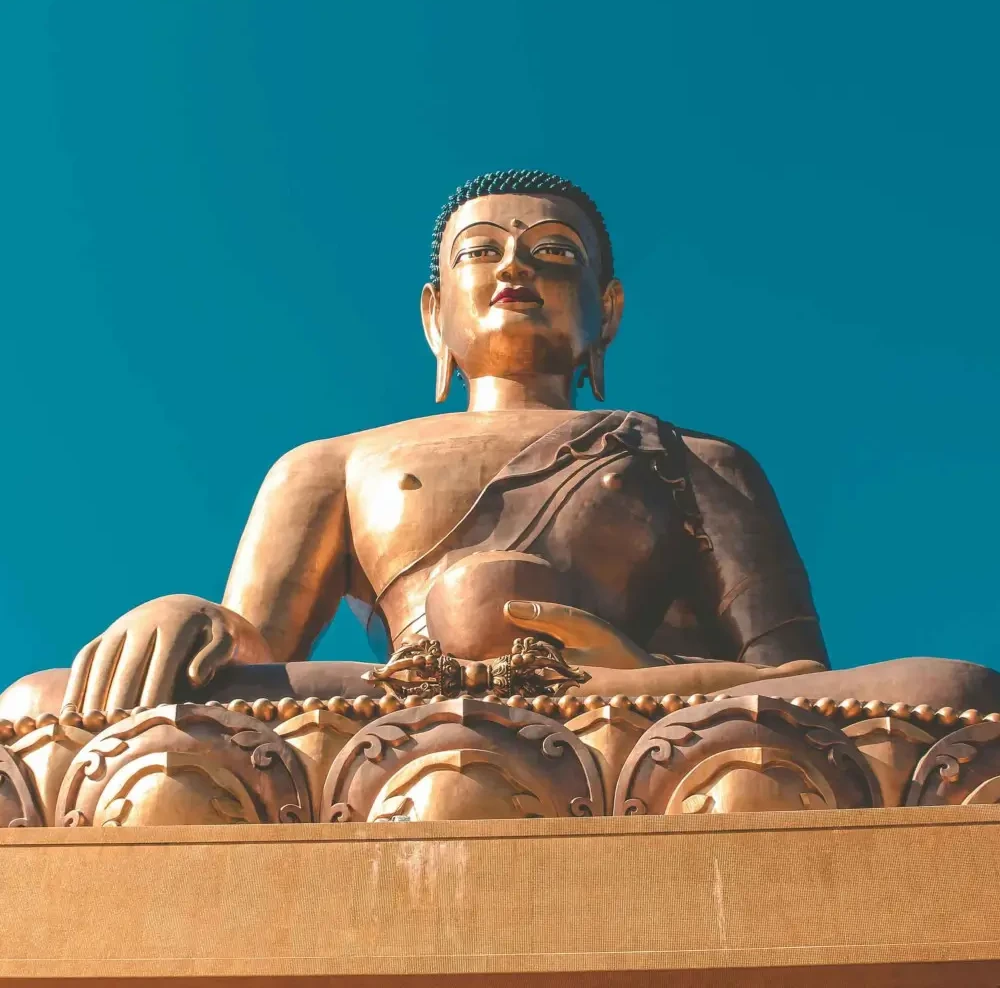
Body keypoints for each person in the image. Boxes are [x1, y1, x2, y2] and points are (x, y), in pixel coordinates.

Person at [3, 170, 997, 720]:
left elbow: (801, 688)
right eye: (483, 250)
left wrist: (620, 674)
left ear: (604, 314)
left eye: (552, 253)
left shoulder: (690, 458)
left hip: (634, 701)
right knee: (41, 706)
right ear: (435, 314)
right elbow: (254, 650)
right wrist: (192, 617)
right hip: (393, 699)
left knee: (949, 694)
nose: (515, 265)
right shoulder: (330, 463)